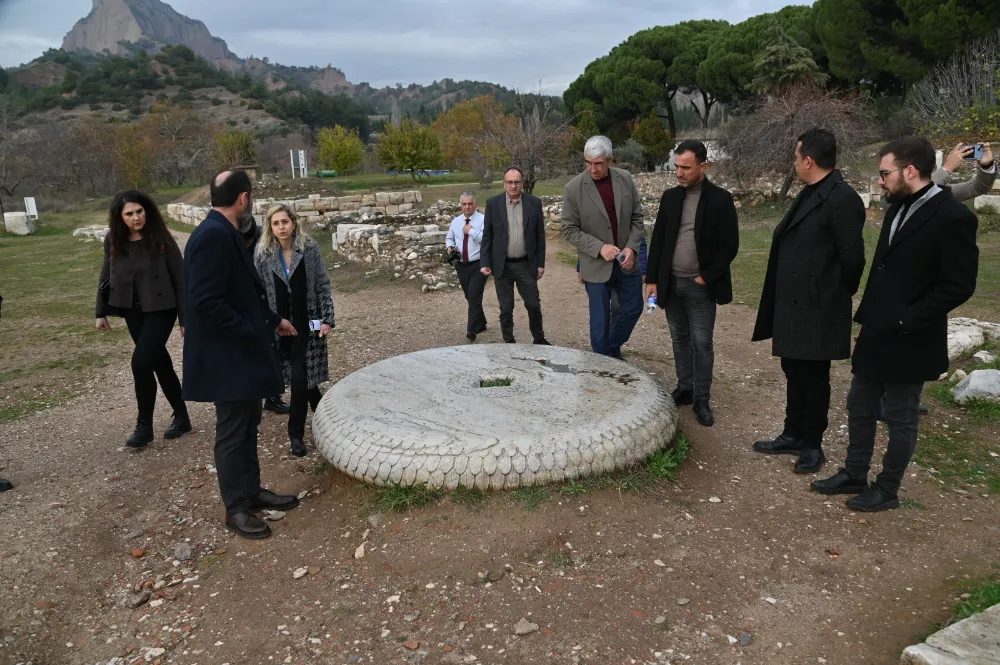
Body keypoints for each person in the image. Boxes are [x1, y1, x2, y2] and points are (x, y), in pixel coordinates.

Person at [812, 136, 979, 511]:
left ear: (910, 170)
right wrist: (868, 319)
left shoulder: (954, 217)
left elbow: (958, 285)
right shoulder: (897, 207)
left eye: (885, 172)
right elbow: (883, 270)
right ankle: (855, 473)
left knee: (901, 416)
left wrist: (906, 319)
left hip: (913, 337)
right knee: (859, 404)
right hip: (877, 331)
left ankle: (887, 490)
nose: (880, 179)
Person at [182, 170, 301, 539]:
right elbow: (205, 302)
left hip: (240, 354)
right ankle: (234, 508)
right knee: (233, 432)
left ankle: (250, 493)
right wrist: (250, 331)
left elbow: (242, 294)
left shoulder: (223, 231)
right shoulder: (213, 236)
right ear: (244, 198)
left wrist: (273, 320)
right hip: (228, 357)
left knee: (249, 423)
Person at [751, 128, 867, 474]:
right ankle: (793, 434)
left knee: (814, 377)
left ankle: (812, 444)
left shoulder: (842, 198)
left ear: (809, 161)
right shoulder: (810, 192)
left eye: (796, 156)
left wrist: (830, 293)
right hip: (794, 304)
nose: (794, 163)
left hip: (819, 306)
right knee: (794, 370)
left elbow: (853, 260)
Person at [646, 140, 739, 427]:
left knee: (702, 343)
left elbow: (730, 246)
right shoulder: (670, 198)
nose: (679, 173)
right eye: (676, 167)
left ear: (703, 166)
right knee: (679, 338)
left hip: (700, 287)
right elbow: (659, 239)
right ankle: (685, 387)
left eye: (686, 167)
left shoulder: (720, 199)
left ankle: (702, 399)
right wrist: (652, 279)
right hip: (671, 283)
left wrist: (705, 277)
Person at [95, 191, 191, 448]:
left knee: (140, 363)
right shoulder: (113, 239)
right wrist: (100, 312)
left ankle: (144, 426)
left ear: (147, 210)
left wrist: (186, 319)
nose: (136, 217)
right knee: (159, 362)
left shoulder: (162, 237)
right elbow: (106, 275)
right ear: (120, 217)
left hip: (162, 308)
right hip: (132, 310)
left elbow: (181, 279)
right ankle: (182, 416)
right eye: (129, 214)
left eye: (139, 211)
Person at [254, 204, 335, 458]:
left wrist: (327, 318)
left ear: (293, 223)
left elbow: (322, 284)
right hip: (279, 327)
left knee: (300, 378)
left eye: (285, 222)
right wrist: (268, 321)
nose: (281, 227)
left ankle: (295, 434)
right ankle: (329, 416)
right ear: (270, 227)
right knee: (305, 381)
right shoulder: (263, 254)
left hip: (307, 324)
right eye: (276, 223)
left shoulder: (309, 249)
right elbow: (258, 293)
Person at [562, 135, 645, 359]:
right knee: (599, 322)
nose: (593, 169)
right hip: (595, 265)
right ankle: (603, 362)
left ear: (610, 160)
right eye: (588, 163)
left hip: (627, 263)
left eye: (598, 164)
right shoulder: (573, 188)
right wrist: (600, 247)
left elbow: (637, 219)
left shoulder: (625, 178)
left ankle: (609, 351)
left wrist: (631, 247)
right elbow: (569, 230)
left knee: (633, 308)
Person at [480, 166, 550, 345]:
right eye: (509, 182)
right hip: (502, 265)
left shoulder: (534, 203)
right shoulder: (493, 204)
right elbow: (487, 236)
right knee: (506, 307)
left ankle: (539, 339)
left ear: (522, 183)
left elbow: (539, 236)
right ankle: (509, 342)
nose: (513, 186)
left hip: (526, 264)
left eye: (517, 182)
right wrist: (485, 261)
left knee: (533, 304)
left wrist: (540, 264)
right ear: (504, 183)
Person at [242, 214, 291, 416]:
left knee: (273, 349)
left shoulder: (264, 242)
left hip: (266, 298)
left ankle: (272, 397)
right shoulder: (230, 242)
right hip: (245, 300)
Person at [446, 192, 488, 341]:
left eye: (470, 203)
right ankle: (481, 323)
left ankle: (471, 330)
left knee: (474, 296)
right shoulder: (456, 221)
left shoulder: (483, 220)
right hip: (461, 265)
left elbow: (487, 240)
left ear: (475, 204)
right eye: (464, 204)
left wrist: (471, 231)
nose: (467, 206)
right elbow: (449, 237)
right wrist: (450, 246)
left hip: (479, 264)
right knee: (469, 296)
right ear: (461, 205)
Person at [932, 142, 997, 200]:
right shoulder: (933, 190)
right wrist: (947, 167)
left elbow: (978, 188)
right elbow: (926, 193)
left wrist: (987, 166)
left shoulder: (941, 190)